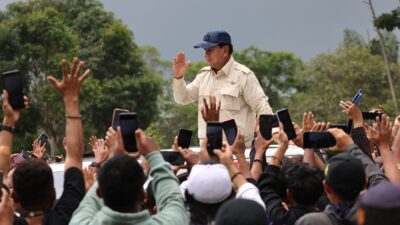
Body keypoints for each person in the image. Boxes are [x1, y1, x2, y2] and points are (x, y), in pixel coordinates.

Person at [172, 30, 272, 147]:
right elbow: (182, 99)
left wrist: (264, 141)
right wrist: (178, 77)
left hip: (238, 153)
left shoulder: (243, 75)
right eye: (205, 50)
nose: (206, 54)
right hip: (208, 152)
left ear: (225, 50)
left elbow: (263, 109)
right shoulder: (203, 76)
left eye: (210, 49)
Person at [69, 128, 189, 225]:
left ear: (99, 193)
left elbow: (89, 203)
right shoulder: (173, 221)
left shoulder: (79, 222)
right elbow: (172, 198)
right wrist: (153, 155)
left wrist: (111, 157)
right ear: (143, 195)